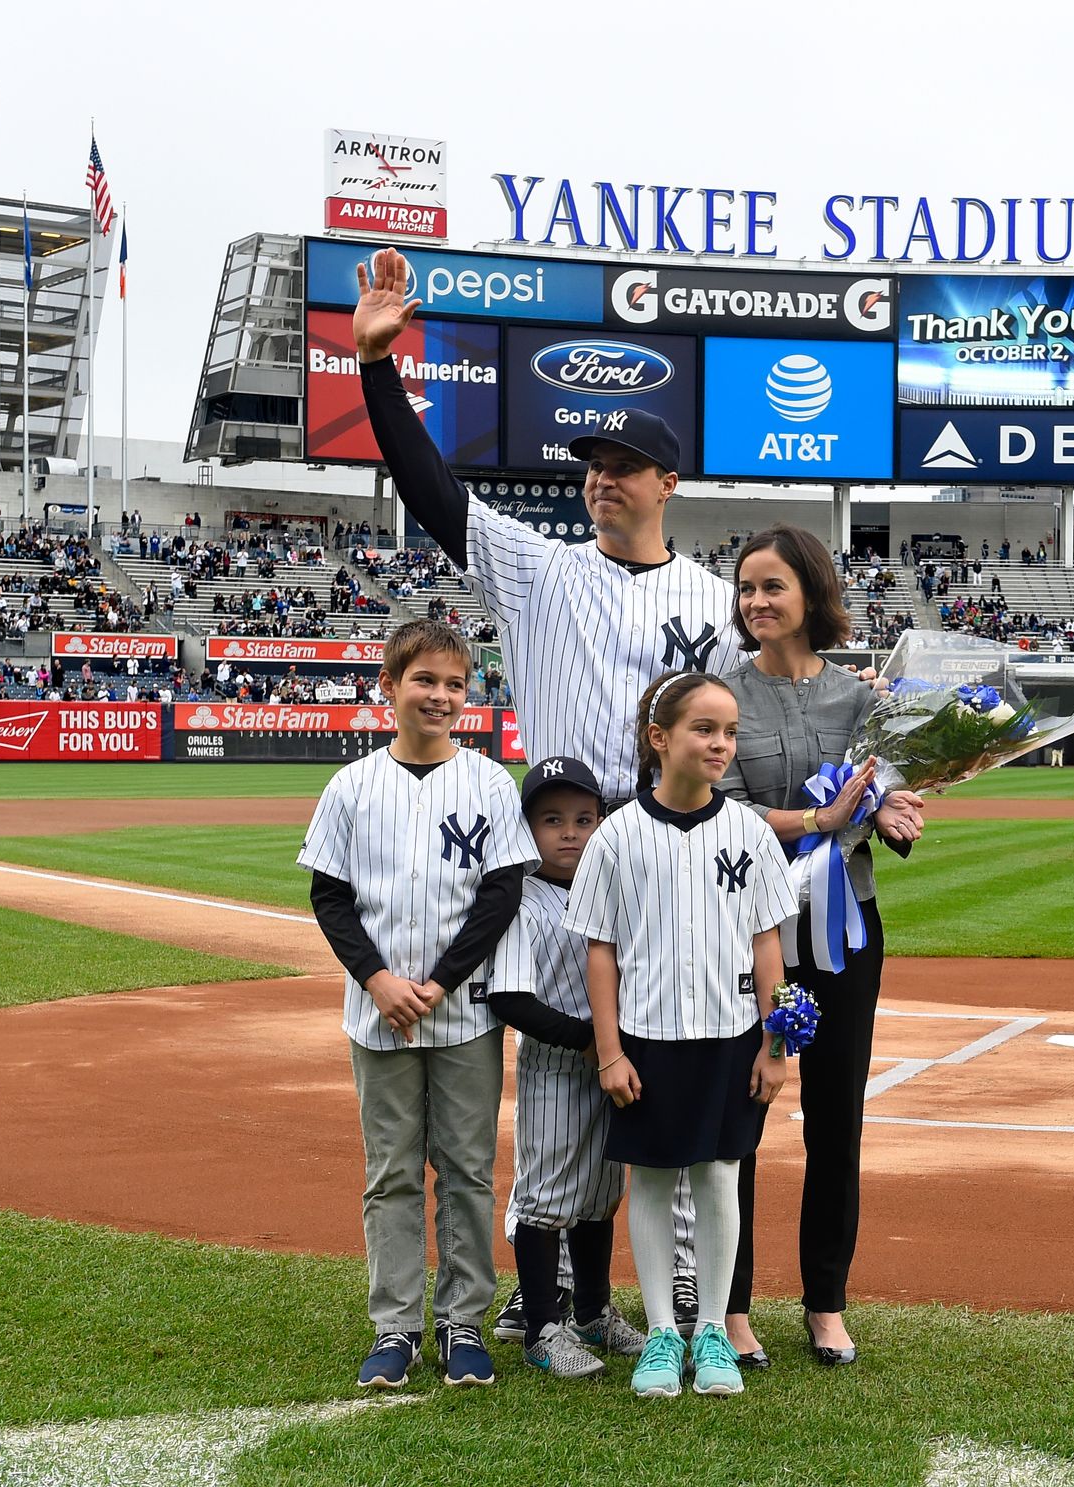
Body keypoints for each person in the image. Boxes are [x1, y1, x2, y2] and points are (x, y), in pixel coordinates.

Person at [354, 246, 721, 1339]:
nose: (601, 476)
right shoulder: (536, 566)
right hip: (557, 860)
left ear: (668, 482)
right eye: (591, 463)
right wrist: (380, 368)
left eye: (623, 463)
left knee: (645, 1074)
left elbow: (740, 736)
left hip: (665, 862)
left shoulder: (713, 593)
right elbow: (430, 489)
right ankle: (542, 1291)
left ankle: (617, 1297)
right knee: (556, 1088)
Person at [297, 618, 539, 1390]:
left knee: (467, 1169)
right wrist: (379, 980)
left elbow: (501, 893)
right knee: (392, 1172)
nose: (440, 695)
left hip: (464, 1009)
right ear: (388, 687)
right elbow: (329, 896)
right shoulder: (351, 785)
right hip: (377, 1013)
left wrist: (435, 981)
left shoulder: (490, 781)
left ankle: (463, 1320)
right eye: (425, 680)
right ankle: (396, 1325)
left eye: (455, 683)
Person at [717, 524, 926, 1370]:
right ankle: (731, 1308)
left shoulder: (862, 700)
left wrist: (896, 811)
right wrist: (820, 820)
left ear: (811, 593)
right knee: (738, 1120)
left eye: (773, 587)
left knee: (836, 1119)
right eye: (747, 589)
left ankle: (826, 1303)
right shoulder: (720, 695)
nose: (757, 602)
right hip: (749, 929)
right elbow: (720, 811)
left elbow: (893, 795)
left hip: (846, 931)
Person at [567, 671, 797, 1400]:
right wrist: (609, 1051)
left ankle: (713, 1334)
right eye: (704, 729)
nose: (720, 743)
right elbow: (599, 949)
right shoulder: (617, 836)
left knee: (721, 1176)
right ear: (659, 738)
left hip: (731, 1037)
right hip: (647, 1039)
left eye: (729, 731)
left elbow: (768, 946)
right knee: (654, 1180)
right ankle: (663, 1331)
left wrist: (776, 1043)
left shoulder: (751, 833)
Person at [482, 754, 649, 1381]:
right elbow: (510, 998)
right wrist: (591, 1041)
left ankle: (593, 1312)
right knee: (547, 1196)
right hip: (555, 1067)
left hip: (613, 1063)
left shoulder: (610, 886)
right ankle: (543, 1326)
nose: (570, 832)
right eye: (552, 820)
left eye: (583, 818)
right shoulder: (520, 898)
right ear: (527, 828)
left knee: (601, 1196)